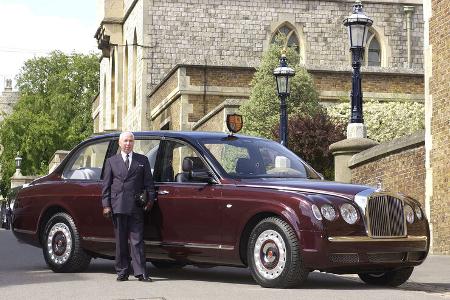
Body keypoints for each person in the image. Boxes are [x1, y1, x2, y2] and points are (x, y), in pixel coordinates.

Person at [102, 131, 155, 282]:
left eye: (131, 141)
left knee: (137, 240)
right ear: (120, 143)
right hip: (118, 205)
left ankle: (140, 272)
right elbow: (106, 186)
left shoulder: (142, 160)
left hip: (136, 206)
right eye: (125, 141)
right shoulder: (112, 161)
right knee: (120, 241)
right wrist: (106, 205)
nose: (128, 144)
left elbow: (149, 184)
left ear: (134, 143)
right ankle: (122, 271)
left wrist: (150, 201)